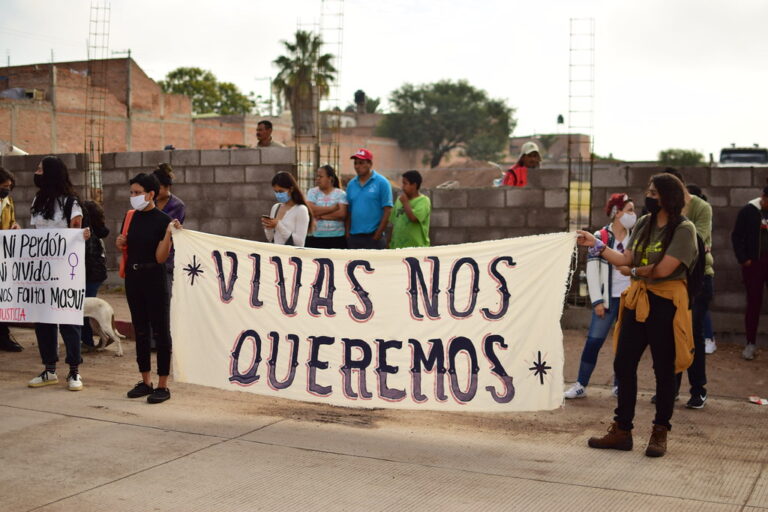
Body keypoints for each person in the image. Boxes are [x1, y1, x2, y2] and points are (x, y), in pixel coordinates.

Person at [577, 173, 698, 458]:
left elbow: (664, 269)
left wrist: (632, 272)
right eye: (649, 191)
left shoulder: (684, 229)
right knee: (623, 363)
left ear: (668, 196)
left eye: (654, 192)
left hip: (665, 302)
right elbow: (625, 258)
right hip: (638, 301)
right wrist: (595, 243)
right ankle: (622, 430)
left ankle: (660, 432)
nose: (649, 196)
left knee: (664, 369)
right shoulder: (644, 223)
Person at [27, 156, 91, 391]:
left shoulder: (70, 203)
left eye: (40, 169)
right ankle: (49, 369)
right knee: (43, 321)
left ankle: (74, 371)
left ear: (51, 173)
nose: (37, 172)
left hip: (65, 272)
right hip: (41, 272)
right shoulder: (38, 200)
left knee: (68, 320)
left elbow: (78, 232)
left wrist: (82, 235)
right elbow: (35, 234)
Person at [116, 173, 181, 404]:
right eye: (131, 192)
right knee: (140, 330)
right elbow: (125, 244)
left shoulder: (163, 221)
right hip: (133, 278)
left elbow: (161, 257)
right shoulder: (130, 216)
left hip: (154, 277)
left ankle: (163, 384)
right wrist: (120, 242)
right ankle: (145, 381)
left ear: (150, 194)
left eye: (137, 192)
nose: (133, 196)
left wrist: (167, 236)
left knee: (161, 330)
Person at [565, 193, 635, 399]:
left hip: (630, 298)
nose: (633, 214)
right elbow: (592, 271)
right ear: (617, 212)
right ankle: (580, 384)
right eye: (629, 210)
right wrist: (597, 301)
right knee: (594, 341)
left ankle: (619, 384)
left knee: (624, 345)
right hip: (607, 300)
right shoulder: (601, 236)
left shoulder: (637, 235)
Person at [663, 169, 713, 409]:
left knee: (692, 334)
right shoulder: (663, 210)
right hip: (671, 280)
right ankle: (670, 389)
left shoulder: (701, 208)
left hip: (698, 279)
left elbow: (696, 242)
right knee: (671, 335)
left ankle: (698, 390)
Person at [731, 184, 768, 361]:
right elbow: (736, 236)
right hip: (754, 264)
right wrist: (743, 258)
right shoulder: (749, 211)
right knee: (754, 302)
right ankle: (750, 343)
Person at [687, 184, 717, 354]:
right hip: (690, 273)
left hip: (700, 273)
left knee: (698, 315)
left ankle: (708, 338)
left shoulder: (703, 212)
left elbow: (702, 242)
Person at [345, 148, 393, 249]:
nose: (357, 166)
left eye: (361, 163)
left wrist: (377, 236)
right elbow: (349, 211)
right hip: (354, 238)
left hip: (374, 237)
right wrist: (348, 235)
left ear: (370, 164)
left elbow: (387, 211)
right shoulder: (351, 185)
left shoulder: (382, 183)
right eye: (355, 163)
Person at [81, 201, 110, 350]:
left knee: (85, 310)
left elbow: (88, 255)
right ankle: (104, 336)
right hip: (97, 274)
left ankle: (87, 341)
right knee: (88, 309)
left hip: (90, 274)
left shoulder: (88, 232)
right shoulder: (98, 229)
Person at [0, 166, 22, 352]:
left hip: (3, 257)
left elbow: (12, 221)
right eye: (4, 185)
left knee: (4, 299)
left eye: (9, 186)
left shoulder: (8, 202)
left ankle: (3, 336)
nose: (7, 189)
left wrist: (14, 226)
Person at [262, 171, 312, 247]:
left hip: (291, 256)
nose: (278, 195)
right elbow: (271, 238)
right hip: (277, 255)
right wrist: (268, 227)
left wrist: (278, 225)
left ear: (291, 189)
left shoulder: (301, 210)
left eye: (281, 191)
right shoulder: (276, 208)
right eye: (276, 192)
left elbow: (299, 242)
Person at [306, 165, 347, 249]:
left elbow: (341, 214)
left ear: (330, 178)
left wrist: (321, 216)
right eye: (317, 176)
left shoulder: (340, 194)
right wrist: (332, 208)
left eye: (320, 176)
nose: (317, 179)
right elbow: (311, 210)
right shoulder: (312, 192)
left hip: (337, 237)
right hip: (316, 236)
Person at [388, 170, 431, 249]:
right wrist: (390, 243)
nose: (402, 187)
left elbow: (414, 218)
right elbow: (395, 224)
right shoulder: (399, 200)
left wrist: (405, 203)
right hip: (397, 248)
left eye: (405, 183)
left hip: (416, 249)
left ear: (414, 185)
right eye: (402, 183)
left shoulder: (423, 201)